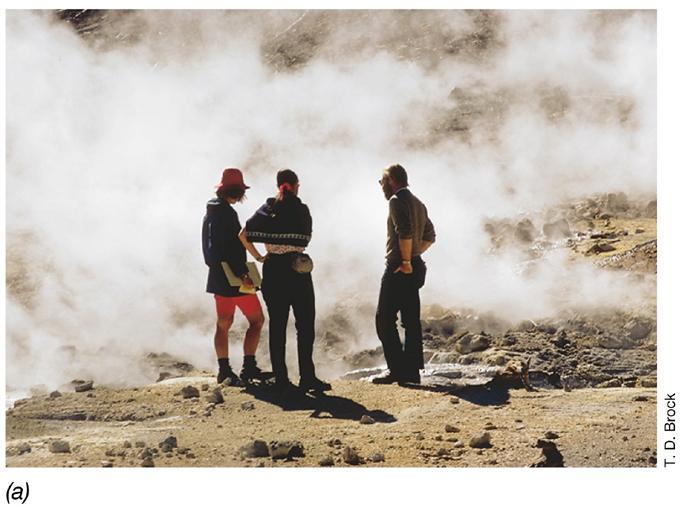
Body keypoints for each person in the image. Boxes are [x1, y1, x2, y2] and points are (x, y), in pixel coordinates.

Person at [240, 169, 331, 396]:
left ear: (278, 185)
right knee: (305, 325)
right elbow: (307, 238)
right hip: (298, 271)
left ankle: (281, 378)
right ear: (296, 185)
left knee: (278, 326)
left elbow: (243, 234)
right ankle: (307, 377)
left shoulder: (269, 208)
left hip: (273, 271)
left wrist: (259, 256)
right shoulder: (301, 210)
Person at [202, 168, 269, 385]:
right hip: (236, 277)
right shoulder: (228, 214)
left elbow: (210, 248)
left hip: (217, 277)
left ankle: (224, 370)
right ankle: (249, 367)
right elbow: (232, 248)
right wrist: (244, 274)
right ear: (238, 191)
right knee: (257, 320)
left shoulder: (210, 212)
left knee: (223, 323)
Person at [373, 164, 436, 385]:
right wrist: (415, 255)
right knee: (410, 319)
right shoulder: (418, 202)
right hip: (415, 265)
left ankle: (397, 369)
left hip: (401, 266)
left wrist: (407, 260)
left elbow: (405, 232)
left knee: (384, 319)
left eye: (382, 182)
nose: (381, 187)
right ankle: (411, 372)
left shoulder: (396, 201)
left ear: (391, 181)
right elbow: (430, 235)